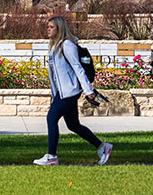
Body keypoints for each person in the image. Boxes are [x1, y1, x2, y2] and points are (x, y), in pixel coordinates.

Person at [32, 15, 111, 166]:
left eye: (51, 27)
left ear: (59, 28)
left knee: (51, 118)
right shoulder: (54, 47)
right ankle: (103, 147)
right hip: (62, 93)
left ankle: (51, 156)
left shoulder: (66, 45)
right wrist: (54, 95)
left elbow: (78, 68)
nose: (48, 30)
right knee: (73, 125)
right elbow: (55, 75)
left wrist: (88, 90)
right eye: (47, 27)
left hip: (70, 91)